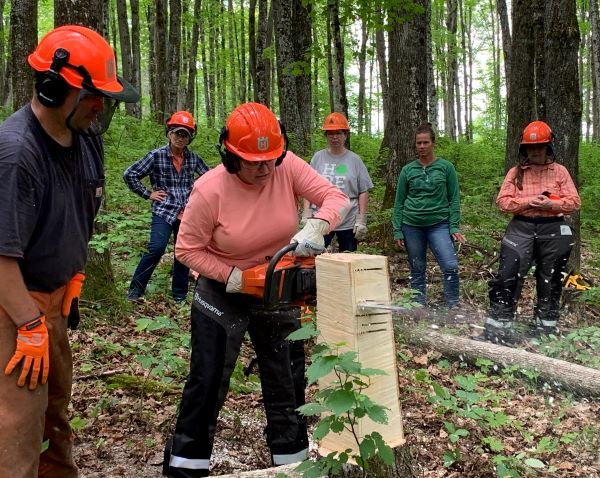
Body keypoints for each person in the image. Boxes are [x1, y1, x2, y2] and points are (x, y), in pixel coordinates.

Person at [162, 102, 349, 478]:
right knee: (208, 377)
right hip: (220, 289)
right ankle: (186, 466)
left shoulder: (285, 164)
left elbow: (336, 198)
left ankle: (292, 462)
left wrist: (317, 224)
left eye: (270, 160)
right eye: (253, 162)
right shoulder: (209, 189)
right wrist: (233, 276)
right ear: (231, 157)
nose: (264, 169)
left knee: (286, 377)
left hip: (276, 284)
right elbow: (186, 250)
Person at [0, 25, 138, 478]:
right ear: (55, 87)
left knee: (55, 414)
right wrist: (27, 324)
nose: (101, 105)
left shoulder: (85, 139)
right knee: (17, 426)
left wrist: (74, 275)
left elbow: (81, 212)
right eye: (93, 94)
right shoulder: (18, 154)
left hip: (54, 302)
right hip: (13, 305)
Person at [483, 121, 580, 343]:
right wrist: (528, 201)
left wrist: (551, 205)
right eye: (531, 147)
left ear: (549, 147)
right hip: (521, 226)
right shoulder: (516, 173)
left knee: (551, 278)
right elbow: (503, 202)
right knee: (508, 275)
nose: (535, 151)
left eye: (540, 146)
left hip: (553, 227)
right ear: (524, 149)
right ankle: (498, 329)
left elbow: (574, 202)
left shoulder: (560, 172)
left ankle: (544, 330)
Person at [124, 111, 209, 302]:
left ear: (190, 138)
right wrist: (148, 194)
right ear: (169, 133)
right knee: (156, 248)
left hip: (187, 212)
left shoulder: (193, 158)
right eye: (177, 133)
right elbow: (130, 174)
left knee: (183, 253)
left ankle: (179, 295)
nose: (180, 138)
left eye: (185, 134)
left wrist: (198, 192)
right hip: (163, 210)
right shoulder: (156, 156)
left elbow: (210, 177)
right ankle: (135, 291)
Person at [392, 123, 465, 310]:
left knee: (449, 265)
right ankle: (418, 304)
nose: (422, 146)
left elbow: (454, 199)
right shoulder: (407, 170)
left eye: (425, 142)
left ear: (433, 143)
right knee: (417, 267)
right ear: (415, 145)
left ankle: (452, 304)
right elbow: (399, 202)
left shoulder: (446, 168)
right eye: (419, 143)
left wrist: (454, 226)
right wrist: (397, 230)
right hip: (411, 225)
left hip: (439, 224)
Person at [302, 112, 373, 251]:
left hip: (348, 219)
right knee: (315, 258)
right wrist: (306, 212)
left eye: (339, 133)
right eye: (330, 133)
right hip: (322, 217)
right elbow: (308, 186)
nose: (335, 137)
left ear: (345, 135)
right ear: (326, 136)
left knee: (348, 258)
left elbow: (363, 190)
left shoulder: (354, 160)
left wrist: (361, 219)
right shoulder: (318, 157)